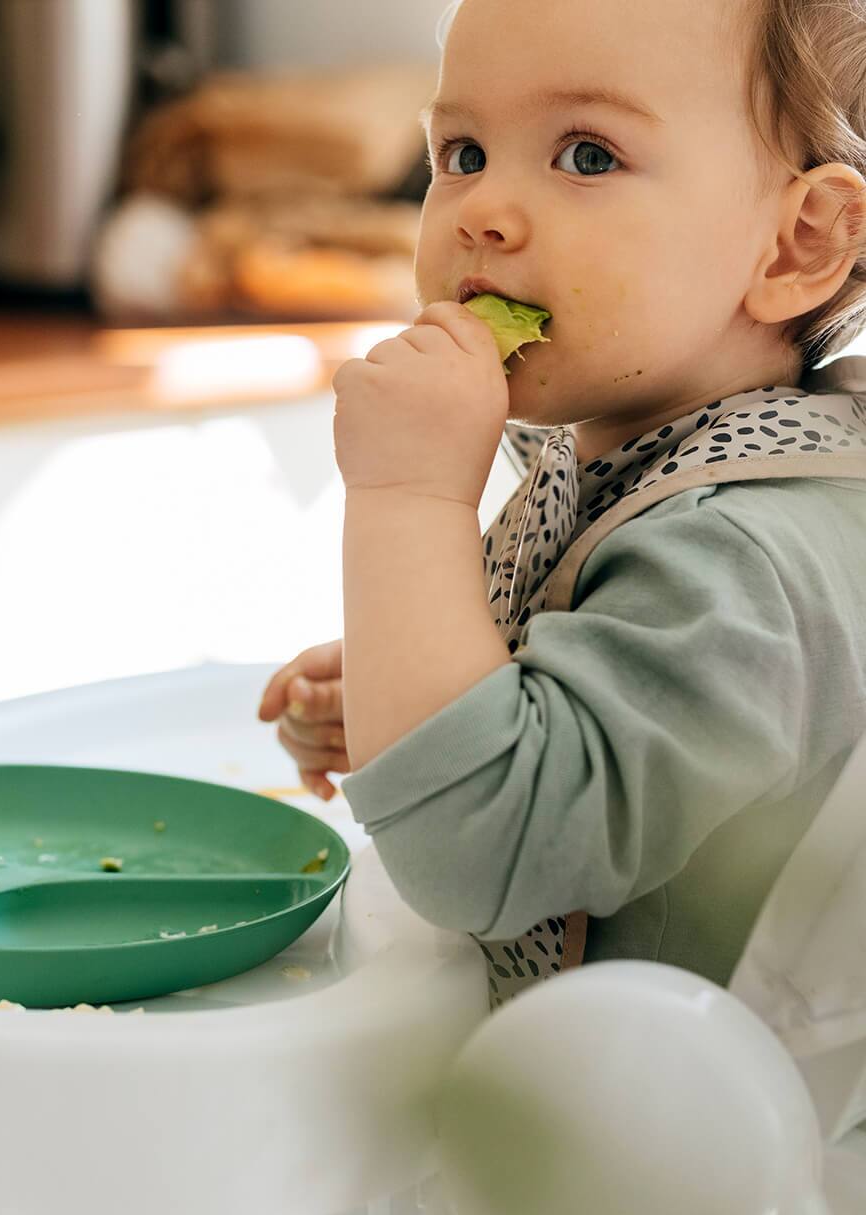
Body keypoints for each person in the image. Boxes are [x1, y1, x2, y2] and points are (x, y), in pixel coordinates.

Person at [259, 0, 866, 1006]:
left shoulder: (740, 559)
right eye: (461, 152)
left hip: (682, 1149)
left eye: (587, 156)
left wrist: (407, 500)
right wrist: (431, 681)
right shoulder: (698, 464)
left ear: (794, 246)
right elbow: (604, 737)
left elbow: (479, 857)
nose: (479, 212)